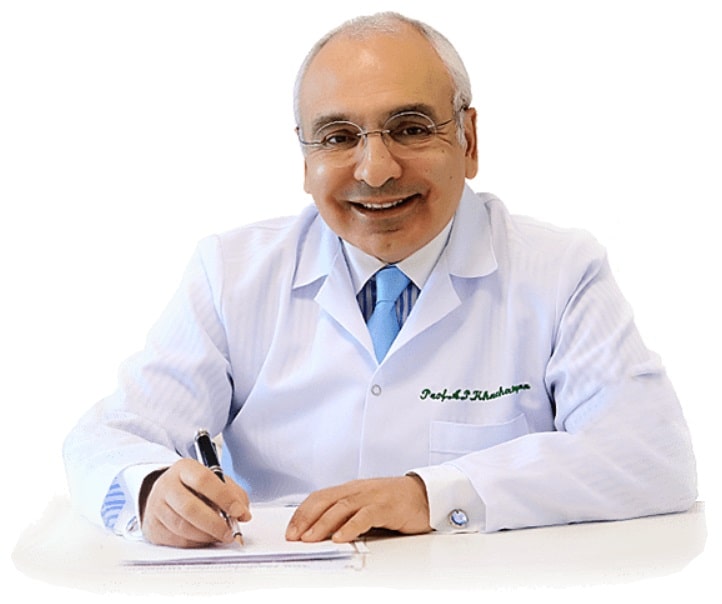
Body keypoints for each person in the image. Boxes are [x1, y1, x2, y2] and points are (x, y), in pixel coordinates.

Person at [63, 11, 697, 548]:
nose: (375, 169)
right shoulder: (232, 273)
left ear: (470, 140)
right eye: (338, 137)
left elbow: (650, 455)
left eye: (411, 129)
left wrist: (430, 496)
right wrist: (151, 491)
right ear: (305, 159)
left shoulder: (560, 270)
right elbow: (107, 438)